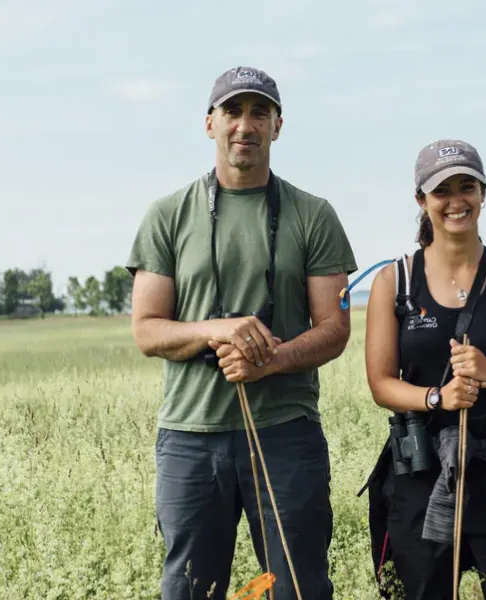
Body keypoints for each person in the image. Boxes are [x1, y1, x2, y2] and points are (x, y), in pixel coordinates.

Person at [125, 65, 358, 600]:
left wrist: (269, 360)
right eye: (232, 111)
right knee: (189, 589)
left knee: (298, 587)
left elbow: (335, 329)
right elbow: (147, 331)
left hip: (285, 433)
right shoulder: (166, 215)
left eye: (260, 112)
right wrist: (219, 331)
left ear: (279, 126)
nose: (245, 125)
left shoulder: (313, 215)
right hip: (190, 435)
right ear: (209, 123)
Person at [358, 139, 486, 600]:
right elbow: (380, 384)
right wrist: (437, 398)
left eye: (467, 187)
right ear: (421, 200)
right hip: (420, 468)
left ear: (483, 193)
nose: (457, 201)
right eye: (442, 190)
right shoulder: (393, 282)